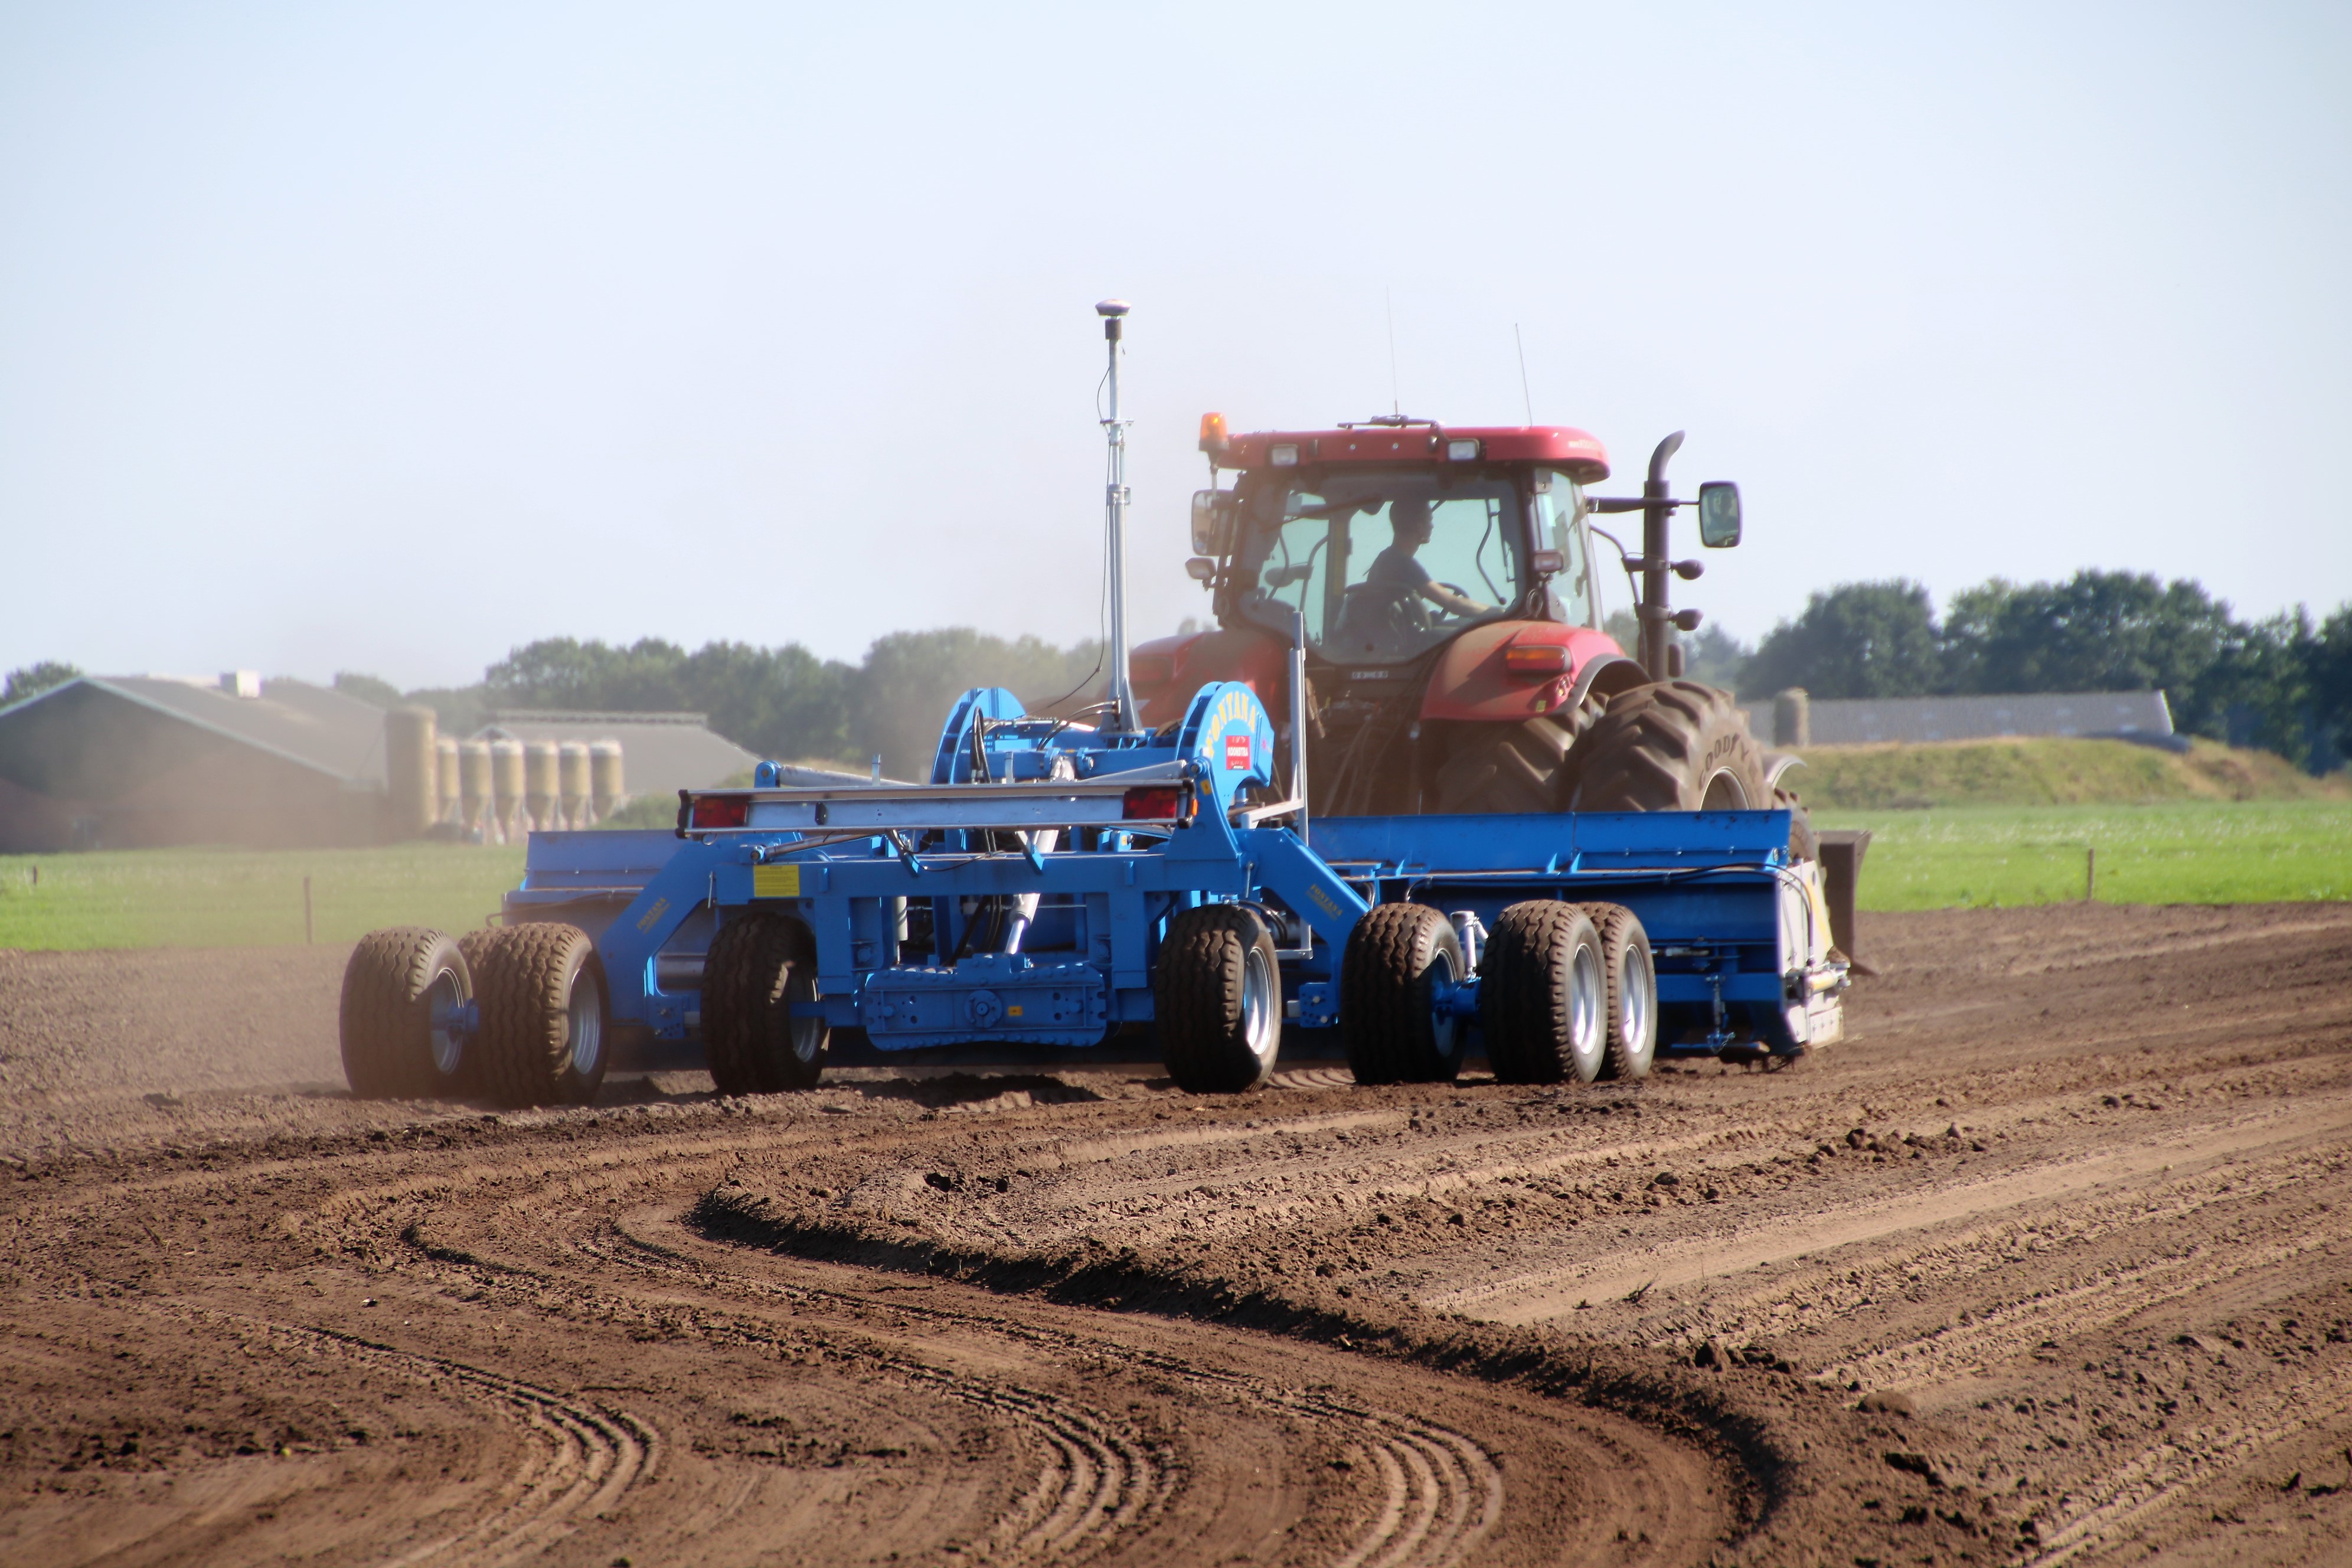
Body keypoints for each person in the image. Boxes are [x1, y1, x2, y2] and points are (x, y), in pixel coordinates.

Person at [1361, 498, 1489, 622]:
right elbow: (1453, 604)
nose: (1432, 526)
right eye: (1430, 521)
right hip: (1407, 639)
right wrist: (1499, 612)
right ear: (1419, 527)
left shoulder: (1384, 559)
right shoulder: (1404, 564)